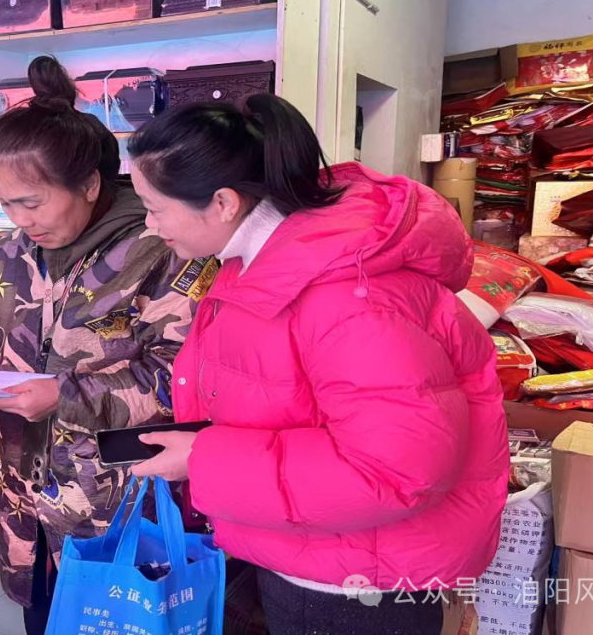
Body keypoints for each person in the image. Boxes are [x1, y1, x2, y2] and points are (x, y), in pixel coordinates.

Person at [127, 94, 509, 635]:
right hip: (320, 555)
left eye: (156, 207)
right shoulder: (266, 263)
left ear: (223, 203)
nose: (149, 224)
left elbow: (395, 469)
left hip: (353, 588)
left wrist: (205, 460)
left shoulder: (346, 297)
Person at [0, 56, 201, 635]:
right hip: (25, 497)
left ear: (89, 185)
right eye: (4, 203)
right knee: (42, 617)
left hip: (116, 508)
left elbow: (177, 380)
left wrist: (62, 396)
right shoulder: (17, 250)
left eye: (31, 203)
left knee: (117, 621)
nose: (19, 219)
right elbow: (5, 336)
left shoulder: (163, 248)